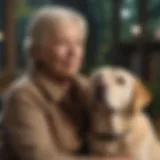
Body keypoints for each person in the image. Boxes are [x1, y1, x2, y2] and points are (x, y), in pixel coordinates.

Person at [0, 6, 130, 160]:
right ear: (36, 51)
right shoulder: (22, 96)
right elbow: (42, 158)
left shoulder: (86, 87)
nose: (74, 52)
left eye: (79, 43)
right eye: (62, 44)